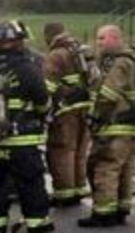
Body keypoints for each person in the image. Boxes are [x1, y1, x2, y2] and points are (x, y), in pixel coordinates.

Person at [0, 21, 53, 233]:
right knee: (30, 187)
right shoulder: (28, 68)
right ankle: (37, 226)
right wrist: (41, 115)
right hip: (20, 143)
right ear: (20, 41)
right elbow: (43, 101)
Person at [78, 25, 135, 228]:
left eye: (102, 38)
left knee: (103, 168)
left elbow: (108, 94)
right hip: (129, 127)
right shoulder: (131, 59)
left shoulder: (121, 63)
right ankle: (121, 209)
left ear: (115, 39)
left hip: (114, 126)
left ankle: (103, 214)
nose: (98, 43)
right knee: (124, 170)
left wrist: (95, 115)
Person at [43, 22, 92, 208]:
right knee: (80, 151)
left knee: (61, 151)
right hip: (85, 108)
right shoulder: (80, 51)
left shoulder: (56, 55)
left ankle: (64, 194)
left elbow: (47, 87)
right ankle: (79, 189)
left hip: (65, 111)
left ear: (49, 35)